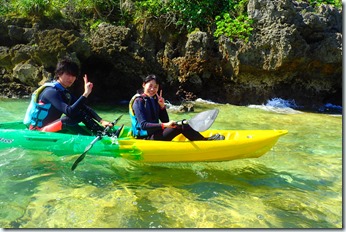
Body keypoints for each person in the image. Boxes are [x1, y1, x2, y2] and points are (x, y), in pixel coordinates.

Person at [24, 58, 113, 135]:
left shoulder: (63, 92)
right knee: (68, 119)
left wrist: (101, 121)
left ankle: (102, 133)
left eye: (73, 75)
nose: (71, 78)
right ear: (59, 74)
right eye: (68, 74)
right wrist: (85, 94)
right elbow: (69, 112)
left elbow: (83, 107)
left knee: (80, 112)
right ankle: (94, 137)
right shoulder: (50, 92)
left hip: (51, 127)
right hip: (39, 131)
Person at [129, 74, 224, 141]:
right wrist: (164, 126)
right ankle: (203, 142)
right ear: (144, 85)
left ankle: (201, 140)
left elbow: (165, 120)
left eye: (156, 87)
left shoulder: (154, 99)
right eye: (150, 86)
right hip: (145, 138)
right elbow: (143, 125)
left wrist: (162, 107)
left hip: (155, 133)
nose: (152, 89)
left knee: (181, 123)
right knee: (181, 125)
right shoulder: (139, 101)